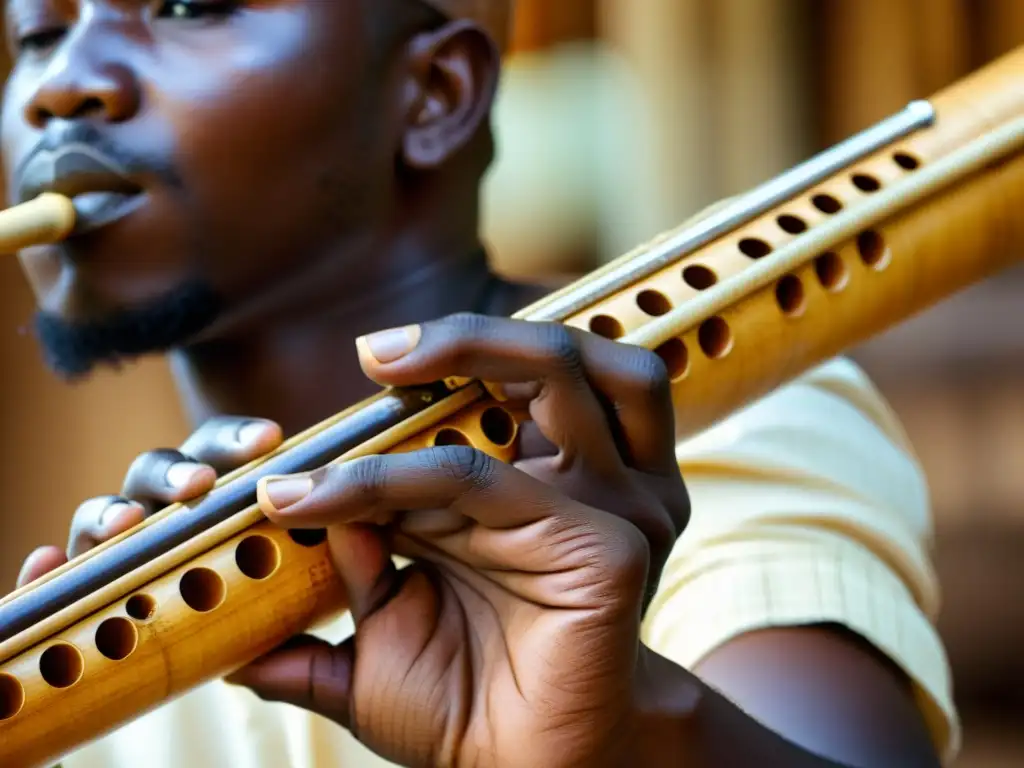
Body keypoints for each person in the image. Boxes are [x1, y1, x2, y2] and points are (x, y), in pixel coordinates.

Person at [4, 1, 956, 766]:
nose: (65, 86)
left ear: (433, 92)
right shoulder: (122, 588)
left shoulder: (694, 410)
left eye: (186, 8)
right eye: (38, 34)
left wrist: (625, 737)